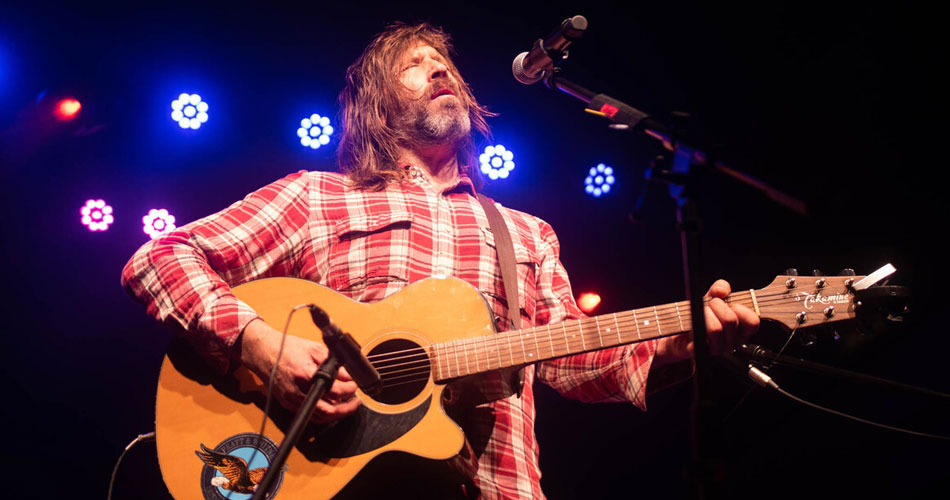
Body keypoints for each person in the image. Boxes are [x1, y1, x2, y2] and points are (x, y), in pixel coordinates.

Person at [122, 22, 759, 499]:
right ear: (375, 101)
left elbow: (573, 359)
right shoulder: (317, 197)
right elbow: (161, 258)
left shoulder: (527, 234)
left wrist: (677, 347)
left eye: (444, 63)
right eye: (415, 64)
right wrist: (258, 343)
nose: (439, 71)